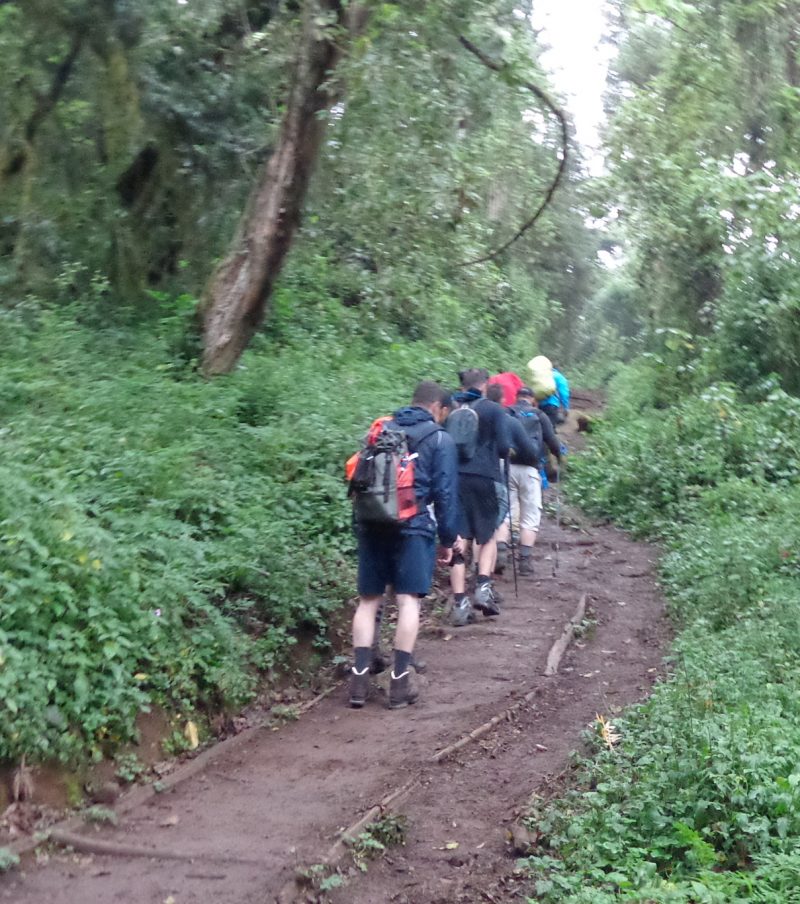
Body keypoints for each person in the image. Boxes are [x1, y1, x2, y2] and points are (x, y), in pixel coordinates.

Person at [349, 381, 461, 709]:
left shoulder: (382, 429)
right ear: (438, 408)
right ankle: (399, 685)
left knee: (368, 601)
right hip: (414, 528)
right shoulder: (439, 439)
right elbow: (445, 495)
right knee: (408, 601)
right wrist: (449, 540)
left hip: (372, 525)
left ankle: (358, 683)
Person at [447, 368, 511, 627]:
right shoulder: (495, 410)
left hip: (457, 479)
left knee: (459, 539)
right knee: (488, 535)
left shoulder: (452, 409)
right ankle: (483, 588)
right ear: (485, 385)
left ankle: (460, 603)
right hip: (486, 478)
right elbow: (505, 447)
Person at [496, 387, 562, 576]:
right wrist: (559, 457)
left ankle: (501, 552)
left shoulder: (506, 412)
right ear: (532, 400)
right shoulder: (539, 415)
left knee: (505, 512)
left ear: (516, 398)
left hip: (505, 467)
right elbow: (552, 441)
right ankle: (525, 561)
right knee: (530, 516)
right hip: (530, 470)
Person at [538, 364, 570, 430]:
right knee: (550, 428)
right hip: (551, 404)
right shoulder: (559, 377)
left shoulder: (542, 375)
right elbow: (564, 393)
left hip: (539, 404)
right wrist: (566, 407)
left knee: (540, 427)